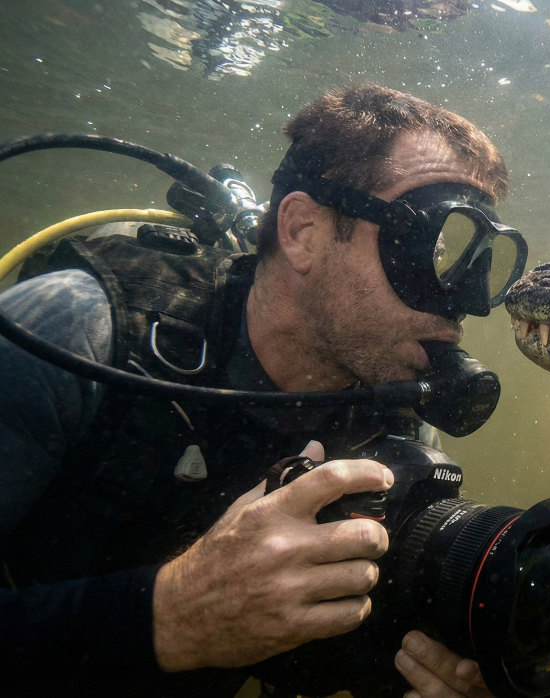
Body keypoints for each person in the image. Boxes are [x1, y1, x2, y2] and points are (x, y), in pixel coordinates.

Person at [0, 83, 516, 697]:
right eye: (431, 244)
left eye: (485, 260)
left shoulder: (391, 421)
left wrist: (417, 674)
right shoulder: (77, 332)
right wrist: (170, 615)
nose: (469, 300)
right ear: (302, 231)